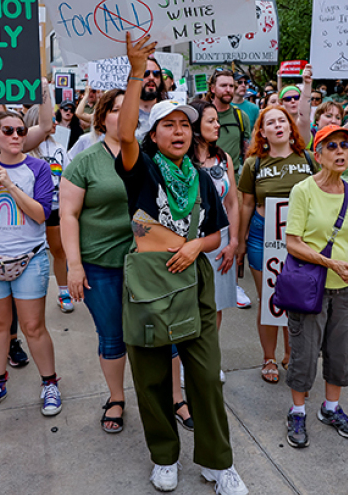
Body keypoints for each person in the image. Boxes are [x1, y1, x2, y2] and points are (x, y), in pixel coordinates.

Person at [115, 33, 247, 494]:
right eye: (167, 125)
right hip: (149, 287)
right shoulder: (141, 170)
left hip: (194, 283)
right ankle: (164, 458)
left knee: (207, 377)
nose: (178, 131)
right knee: (150, 379)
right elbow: (124, 132)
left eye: (184, 125)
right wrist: (136, 72)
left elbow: (216, 231)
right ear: (153, 135)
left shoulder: (202, 179)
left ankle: (217, 462)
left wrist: (197, 247)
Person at [0, 110, 62, 417]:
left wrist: (10, 185)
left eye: (21, 130)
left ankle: (49, 383)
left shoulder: (38, 168)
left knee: (33, 326)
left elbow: (41, 214)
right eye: (8, 130)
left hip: (29, 258)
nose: (16, 136)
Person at [282, 125, 348, 449]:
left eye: (344, 145)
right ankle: (297, 410)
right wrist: (331, 263)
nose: (340, 151)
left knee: (340, 349)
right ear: (318, 155)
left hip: (345, 286)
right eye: (331, 146)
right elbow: (293, 243)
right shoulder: (304, 190)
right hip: (310, 284)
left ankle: (330, 408)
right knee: (303, 351)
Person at [60, 88, 133, 432]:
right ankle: (116, 398)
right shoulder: (85, 160)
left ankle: (173, 397)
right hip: (100, 267)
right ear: (102, 118)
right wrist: (74, 266)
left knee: (161, 336)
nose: (123, 115)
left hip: (145, 265)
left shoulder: (149, 155)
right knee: (112, 336)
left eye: (128, 109)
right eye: (115, 110)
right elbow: (69, 216)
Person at [237, 105, 316, 384]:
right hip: (262, 234)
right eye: (271, 123)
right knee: (269, 299)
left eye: (283, 120)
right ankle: (268, 357)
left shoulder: (307, 158)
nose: (278, 126)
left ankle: (291, 352)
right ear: (263, 132)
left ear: (290, 127)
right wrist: (239, 242)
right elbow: (245, 203)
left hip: (301, 236)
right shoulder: (253, 164)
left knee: (296, 299)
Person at [189, 99, 243, 360]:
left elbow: (232, 203)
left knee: (215, 306)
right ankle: (187, 360)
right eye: (210, 120)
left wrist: (233, 242)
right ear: (195, 124)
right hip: (188, 242)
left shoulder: (224, 159)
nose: (217, 125)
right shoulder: (180, 159)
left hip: (220, 243)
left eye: (217, 120)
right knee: (189, 304)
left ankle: (209, 358)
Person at [24, 104, 73, 312]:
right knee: (31, 254)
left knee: (59, 251)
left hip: (55, 209)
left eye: (54, 118)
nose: (54, 122)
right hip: (30, 211)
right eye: (50, 119)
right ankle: (29, 296)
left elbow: (68, 176)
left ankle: (63, 291)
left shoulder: (59, 147)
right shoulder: (24, 149)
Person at [206, 70, 250, 166]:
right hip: (208, 176)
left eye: (231, 86)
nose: (228, 90)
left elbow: (247, 152)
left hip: (233, 176)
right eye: (223, 86)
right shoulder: (202, 114)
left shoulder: (241, 116)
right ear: (213, 89)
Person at [136, 57, 167, 141]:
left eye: (156, 74)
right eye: (145, 73)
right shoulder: (123, 112)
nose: (151, 78)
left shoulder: (168, 112)